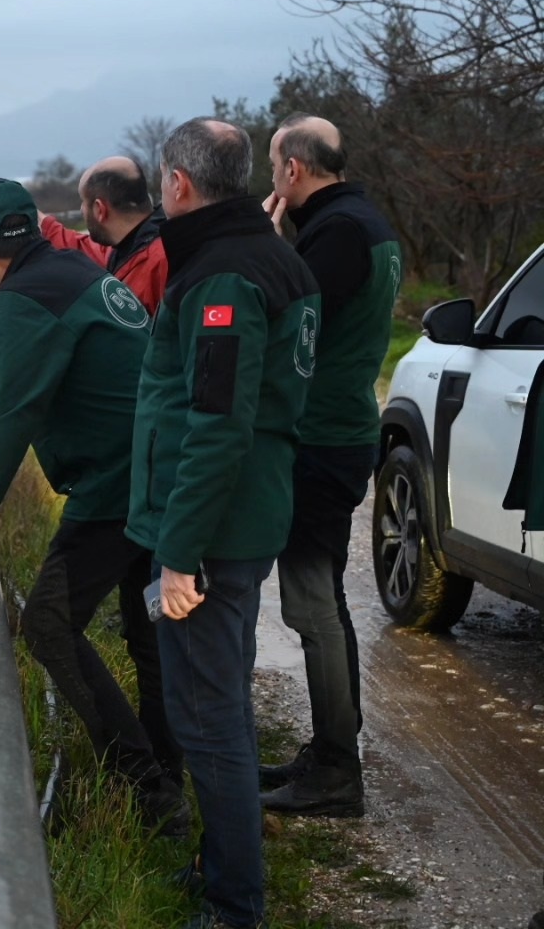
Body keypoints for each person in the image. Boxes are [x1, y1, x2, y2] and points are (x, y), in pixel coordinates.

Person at [0, 177, 186, 836]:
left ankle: (147, 791)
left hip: (116, 484)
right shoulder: (73, 267)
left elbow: (13, 411)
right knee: (147, 629)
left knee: (47, 622)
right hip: (158, 464)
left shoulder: (27, 298)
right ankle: (169, 771)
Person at [126, 118, 320, 928]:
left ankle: (235, 905)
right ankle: (221, 866)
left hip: (213, 535)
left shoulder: (224, 277)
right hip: (241, 521)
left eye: (162, 180)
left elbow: (216, 427)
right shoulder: (266, 252)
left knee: (208, 723)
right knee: (222, 706)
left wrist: (179, 555)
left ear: (177, 183)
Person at [257, 113, 402, 818]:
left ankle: (339, 772)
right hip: (338, 431)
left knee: (311, 604)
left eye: (273, 165)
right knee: (323, 603)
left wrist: (264, 242)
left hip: (321, 437)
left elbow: (289, 313)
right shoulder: (358, 221)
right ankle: (329, 746)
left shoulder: (339, 232)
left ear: (293, 170)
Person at [39, 156, 169, 313]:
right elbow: (79, 247)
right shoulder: (125, 247)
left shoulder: (162, 261)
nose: (81, 209)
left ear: (100, 210)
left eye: (83, 202)